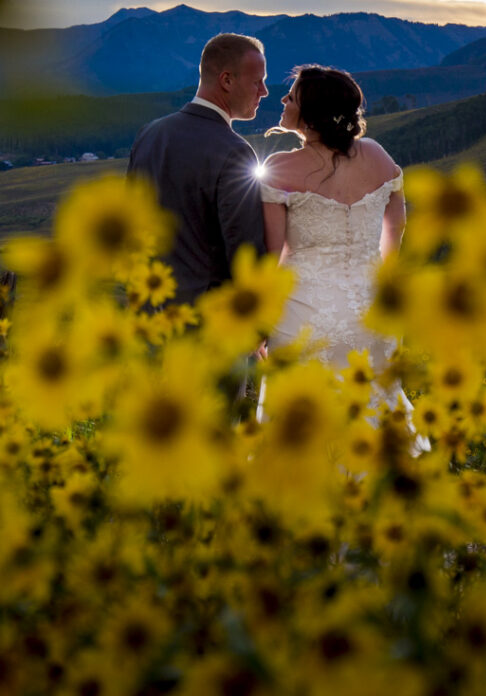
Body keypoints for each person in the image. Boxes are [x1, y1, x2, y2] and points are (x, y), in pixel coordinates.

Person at [259, 65, 424, 448]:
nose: (283, 100)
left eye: (292, 97)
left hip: (303, 313)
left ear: (311, 114)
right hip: (371, 311)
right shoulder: (378, 157)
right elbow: (396, 226)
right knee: (373, 413)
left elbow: (271, 254)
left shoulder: (280, 168)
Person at [128, 33, 269, 307]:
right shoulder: (234, 151)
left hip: (146, 314)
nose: (264, 91)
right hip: (206, 323)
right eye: (257, 82)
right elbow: (245, 250)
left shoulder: (149, 134)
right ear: (227, 80)